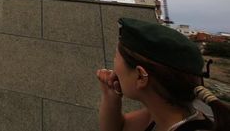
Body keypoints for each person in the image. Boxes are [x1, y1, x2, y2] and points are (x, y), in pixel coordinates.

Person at [96, 17, 230, 131]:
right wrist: (110, 96)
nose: (113, 66)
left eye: (115, 57)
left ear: (141, 76)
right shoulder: (159, 116)